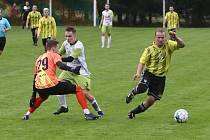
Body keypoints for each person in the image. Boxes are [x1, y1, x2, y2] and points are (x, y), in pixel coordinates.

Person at [22, 40, 99, 120]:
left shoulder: (39, 58)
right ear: (53, 48)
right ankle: (87, 113)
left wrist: (33, 94)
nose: (58, 50)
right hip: (52, 84)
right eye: (57, 48)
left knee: (43, 97)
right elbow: (60, 65)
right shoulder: (54, 55)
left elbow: (35, 76)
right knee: (78, 89)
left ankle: (27, 114)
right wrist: (72, 69)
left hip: (39, 86)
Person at [125, 28, 185, 119]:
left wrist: (175, 37)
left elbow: (182, 45)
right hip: (149, 74)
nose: (160, 39)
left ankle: (132, 113)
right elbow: (142, 62)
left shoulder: (169, 45)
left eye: (162, 37)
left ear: (165, 38)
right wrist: (138, 73)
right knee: (142, 88)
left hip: (161, 78)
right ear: (154, 38)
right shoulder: (149, 50)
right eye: (158, 37)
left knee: (151, 101)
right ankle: (133, 93)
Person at [53, 26, 104, 117]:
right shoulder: (65, 43)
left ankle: (98, 110)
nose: (67, 38)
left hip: (81, 71)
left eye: (70, 36)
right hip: (69, 70)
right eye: (66, 36)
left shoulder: (79, 45)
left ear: (75, 35)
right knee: (57, 86)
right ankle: (64, 107)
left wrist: (57, 59)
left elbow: (70, 58)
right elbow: (58, 54)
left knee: (85, 94)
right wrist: (52, 54)